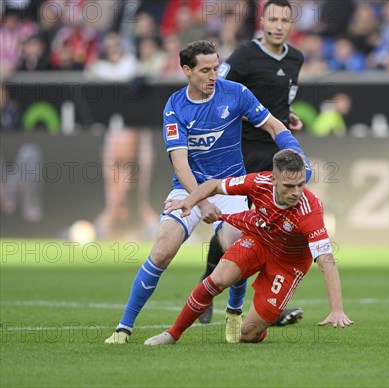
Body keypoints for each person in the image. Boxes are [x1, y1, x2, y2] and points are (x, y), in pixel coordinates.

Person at [105, 40, 310, 344]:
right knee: (162, 251)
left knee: (235, 245)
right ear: (186, 70)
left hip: (229, 187)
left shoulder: (235, 93)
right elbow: (180, 163)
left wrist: (296, 151)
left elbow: (272, 125)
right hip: (188, 188)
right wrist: (198, 203)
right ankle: (124, 328)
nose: (213, 75)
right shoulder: (175, 106)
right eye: (205, 70)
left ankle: (234, 311)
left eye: (216, 68)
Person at [144, 149, 353, 345]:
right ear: (273, 180)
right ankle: (172, 334)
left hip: (288, 264)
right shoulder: (258, 182)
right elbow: (215, 184)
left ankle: (260, 322)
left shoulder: (310, 211)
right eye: (289, 186)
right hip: (258, 241)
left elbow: (326, 259)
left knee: (247, 334)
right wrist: (190, 202)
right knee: (216, 280)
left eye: (300, 185)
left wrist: (337, 310)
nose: (296, 192)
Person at [198, 0, 305, 326]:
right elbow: (219, 92)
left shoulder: (296, 58)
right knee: (235, 229)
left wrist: (288, 118)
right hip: (240, 152)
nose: (278, 25)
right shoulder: (244, 56)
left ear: (291, 24)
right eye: (272, 18)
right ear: (262, 21)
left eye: (284, 20)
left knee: (274, 230)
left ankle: (265, 308)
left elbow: (282, 100)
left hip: (274, 156)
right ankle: (207, 286)